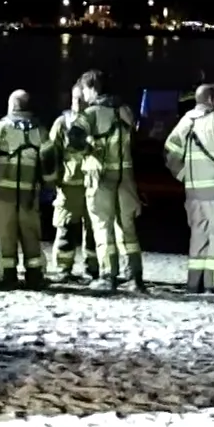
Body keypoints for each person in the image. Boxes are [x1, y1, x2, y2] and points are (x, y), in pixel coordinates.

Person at [164, 82, 214, 295]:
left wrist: (184, 177)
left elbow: (169, 153)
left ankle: (195, 283)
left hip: (193, 193)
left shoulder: (185, 122)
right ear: (211, 99)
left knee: (199, 237)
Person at [69, 69, 145, 293]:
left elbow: (74, 139)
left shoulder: (91, 113)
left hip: (100, 177)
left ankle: (107, 275)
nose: (83, 95)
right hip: (126, 177)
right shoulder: (126, 110)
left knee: (103, 228)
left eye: (84, 89)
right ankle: (134, 277)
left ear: (92, 88)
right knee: (127, 228)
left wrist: (89, 149)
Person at [0, 89, 51, 289]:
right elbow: (49, 161)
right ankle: (35, 275)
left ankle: (8, 276)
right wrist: (49, 184)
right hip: (30, 194)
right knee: (31, 234)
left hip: (3, 192)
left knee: (5, 234)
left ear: (11, 105)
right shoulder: (40, 131)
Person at [45, 81, 99, 283]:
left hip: (93, 182)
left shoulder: (95, 121)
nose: (77, 103)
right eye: (75, 99)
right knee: (66, 225)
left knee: (93, 229)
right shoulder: (62, 123)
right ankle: (63, 269)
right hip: (70, 184)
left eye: (81, 99)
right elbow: (51, 152)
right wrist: (52, 179)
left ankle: (92, 269)